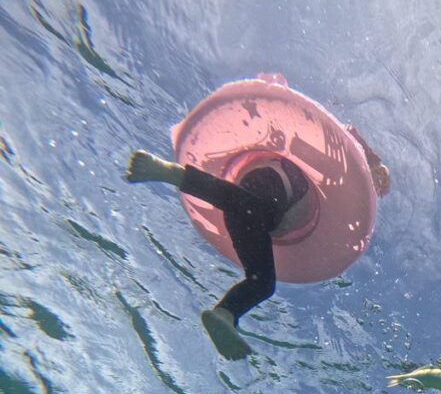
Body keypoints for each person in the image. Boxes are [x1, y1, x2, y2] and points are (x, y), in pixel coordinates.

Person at [125, 145, 388, 360]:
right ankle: (172, 173)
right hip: (270, 184)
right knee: (246, 202)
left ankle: (225, 313)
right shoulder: (315, 172)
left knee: (263, 284)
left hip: (252, 220)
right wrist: (372, 162)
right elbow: (344, 139)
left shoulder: (300, 214)